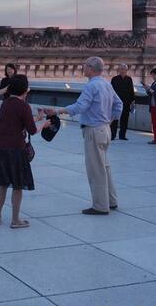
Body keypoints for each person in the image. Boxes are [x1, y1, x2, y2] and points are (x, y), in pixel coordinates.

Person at [48, 57, 122, 215]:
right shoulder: (106, 84)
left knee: (96, 169)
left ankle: (100, 206)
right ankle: (111, 200)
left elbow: (80, 106)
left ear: (91, 68)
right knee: (105, 167)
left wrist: (58, 111)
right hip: (105, 129)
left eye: (85, 65)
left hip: (94, 131)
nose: (83, 67)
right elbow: (119, 104)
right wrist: (110, 119)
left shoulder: (92, 86)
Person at [0, 74, 51, 228]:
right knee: (18, 185)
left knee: (3, 183)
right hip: (15, 149)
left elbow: (15, 123)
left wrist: (36, 118)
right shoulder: (24, 106)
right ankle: (15, 219)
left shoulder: (5, 103)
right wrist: (43, 125)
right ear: (25, 90)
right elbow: (31, 130)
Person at [110, 64, 135, 140]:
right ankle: (112, 135)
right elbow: (111, 91)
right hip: (116, 103)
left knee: (124, 119)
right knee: (114, 119)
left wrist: (133, 101)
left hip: (126, 102)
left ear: (126, 70)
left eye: (124, 69)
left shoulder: (129, 79)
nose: (123, 71)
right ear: (119, 70)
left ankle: (122, 135)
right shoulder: (114, 79)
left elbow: (131, 91)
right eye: (121, 69)